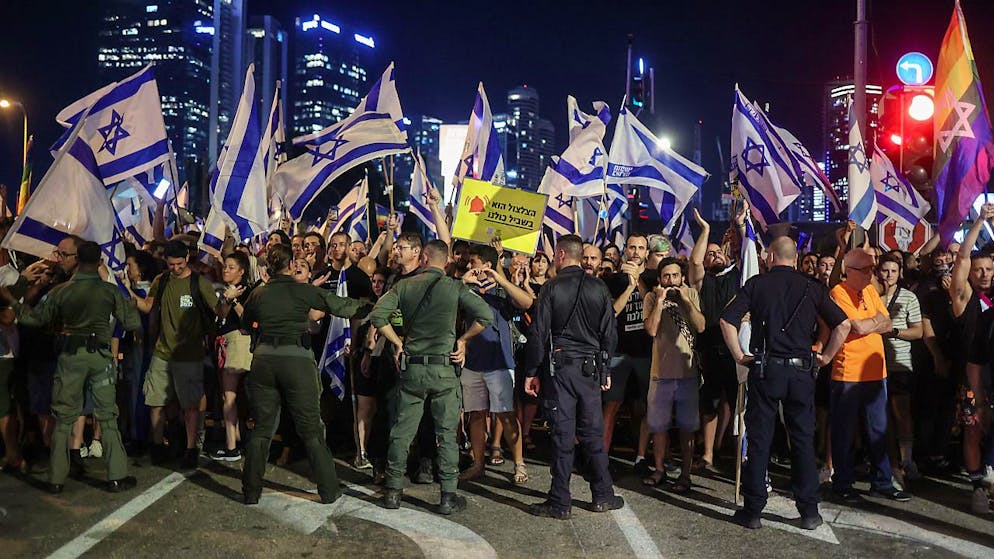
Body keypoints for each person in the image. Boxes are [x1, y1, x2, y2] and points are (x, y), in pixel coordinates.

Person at [720, 237, 851, 530]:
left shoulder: (757, 284)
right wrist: (826, 356)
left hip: (766, 370)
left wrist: (740, 355)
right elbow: (843, 325)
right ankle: (809, 511)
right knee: (803, 441)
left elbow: (727, 320)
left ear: (770, 256)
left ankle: (753, 511)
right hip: (801, 371)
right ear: (795, 257)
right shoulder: (812, 287)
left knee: (760, 439)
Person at [1, 241, 141, 493]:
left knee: (63, 418)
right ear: (98, 261)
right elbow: (131, 323)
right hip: (99, 357)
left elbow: (35, 318)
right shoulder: (109, 292)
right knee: (107, 416)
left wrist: (13, 301)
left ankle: (56, 478)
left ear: (77, 259)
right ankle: (117, 475)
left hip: (70, 356)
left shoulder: (61, 292)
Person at [240, 244, 370, 505]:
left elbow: (246, 326)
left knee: (263, 429)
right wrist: (375, 306)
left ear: (269, 268)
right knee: (311, 429)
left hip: (263, 360)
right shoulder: (305, 290)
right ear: (291, 266)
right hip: (297, 360)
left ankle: (251, 492)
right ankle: (328, 490)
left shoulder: (258, 294)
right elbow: (344, 307)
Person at [369, 239, 493, 515]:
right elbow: (485, 316)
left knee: (402, 432)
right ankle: (448, 496)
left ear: (424, 258)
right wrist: (463, 340)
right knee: (447, 435)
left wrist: (397, 342)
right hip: (444, 370)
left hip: (412, 369)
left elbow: (378, 316)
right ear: (445, 260)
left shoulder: (403, 285)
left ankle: (392, 491)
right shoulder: (454, 286)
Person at [523, 234, 623, 519]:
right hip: (590, 370)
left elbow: (538, 334)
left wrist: (532, 371)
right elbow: (609, 333)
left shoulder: (551, 287)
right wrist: (605, 370)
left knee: (562, 435)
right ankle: (602, 495)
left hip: (561, 369)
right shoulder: (599, 287)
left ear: (561, 255)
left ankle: (560, 501)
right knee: (592, 434)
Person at [828, 248, 911, 503]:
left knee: (879, 430)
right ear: (848, 271)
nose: (871, 274)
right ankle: (842, 483)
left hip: (877, 373)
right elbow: (859, 325)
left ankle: (882, 482)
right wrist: (875, 321)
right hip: (848, 373)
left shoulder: (871, 291)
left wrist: (874, 322)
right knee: (844, 431)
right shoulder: (838, 293)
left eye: (871, 270)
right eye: (865, 270)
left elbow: (887, 323)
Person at [131, 240, 220, 469]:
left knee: (190, 404)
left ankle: (191, 448)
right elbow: (149, 306)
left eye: (179, 264)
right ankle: (158, 444)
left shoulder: (198, 283)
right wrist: (130, 295)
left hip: (189, 354)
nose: (175, 268)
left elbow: (218, 311)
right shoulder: (161, 281)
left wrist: (229, 299)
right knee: (156, 400)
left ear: (187, 259)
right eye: (171, 264)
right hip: (162, 352)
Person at [458, 244, 534, 485]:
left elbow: (527, 303)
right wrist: (462, 282)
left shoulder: (502, 291)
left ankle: (519, 463)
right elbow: (446, 303)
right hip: (471, 362)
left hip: (499, 362)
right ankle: (478, 464)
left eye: (474, 262)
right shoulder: (465, 288)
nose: (470, 266)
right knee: (476, 416)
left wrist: (500, 280)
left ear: (487, 266)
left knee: (506, 415)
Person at [641, 257, 705, 491]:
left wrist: (687, 301)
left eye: (675, 276)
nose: (671, 281)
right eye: (666, 276)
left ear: (682, 277)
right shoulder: (651, 298)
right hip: (660, 374)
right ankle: (659, 469)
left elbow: (701, 326)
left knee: (688, 427)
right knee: (658, 426)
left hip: (687, 375)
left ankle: (685, 474)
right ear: (659, 279)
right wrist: (658, 301)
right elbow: (650, 330)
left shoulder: (692, 295)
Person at [875, 254, 923, 484]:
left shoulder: (909, 298)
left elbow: (918, 331)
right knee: (882, 417)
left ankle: (907, 460)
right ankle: (890, 464)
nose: (889, 275)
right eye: (885, 270)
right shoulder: (872, 296)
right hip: (875, 364)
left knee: (901, 413)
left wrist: (894, 332)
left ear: (900, 273)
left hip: (900, 363)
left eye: (893, 271)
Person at [209, 252, 254, 462]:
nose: (226, 270)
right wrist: (227, 298)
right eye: (225, 267)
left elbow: (249, 318)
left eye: (231, 267)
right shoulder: (225, 291)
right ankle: (235, 440)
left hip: (238, 342)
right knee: (228, 395)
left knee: (230, 396)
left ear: (242, 271)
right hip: (225, 343)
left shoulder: (248, 291)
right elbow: (220, 315)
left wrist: (234, 299)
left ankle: (231, 447)